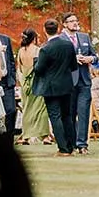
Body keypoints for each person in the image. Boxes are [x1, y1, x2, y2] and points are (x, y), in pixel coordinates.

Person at [30, 20, 80, 155]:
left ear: (44, 30)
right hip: (66, 84)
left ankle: (63, 148)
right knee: (67, 116)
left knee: (55, 116)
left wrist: (35, 63)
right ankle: (71, 146)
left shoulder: (45, 49)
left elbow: (39, 69)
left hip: (51, 87)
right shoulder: (68, 45)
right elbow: (74, 66)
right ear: (58, 29)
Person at [64, 13, 98, 154]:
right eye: (71, 21)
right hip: (68, 82)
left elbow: (96, 57)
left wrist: (90, 58)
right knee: (70, 114)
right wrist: (72, 59)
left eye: (76, 20)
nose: (75, 23)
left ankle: (82, 145)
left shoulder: (84, 37)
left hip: (84, 81)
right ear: (65, 24)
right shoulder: (60, 39)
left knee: (83, 113)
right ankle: (70, 144)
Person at [17, 28, 52, 145]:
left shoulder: (21, 51)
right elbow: (42, 67)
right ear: (34, 38)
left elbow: (20, 68)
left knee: (26, 109)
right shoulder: (38, 50)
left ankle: (26, 136)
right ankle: (45, 136)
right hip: (37, 82)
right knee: (42, 109)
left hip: (25, 83)